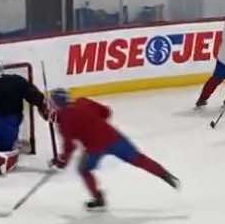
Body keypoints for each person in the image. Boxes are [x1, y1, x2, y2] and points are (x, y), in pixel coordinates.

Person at [48, 88, 178, 210]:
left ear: (56, 104)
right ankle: (164, 174)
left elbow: (69, 146)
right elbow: (106, 112)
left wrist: (61, 162)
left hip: (94, 148)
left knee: (84, 170)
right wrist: (95, 123)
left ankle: (98, 199)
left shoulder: (63, 122)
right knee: (139, 159)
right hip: (113, 138)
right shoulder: (83, 101)